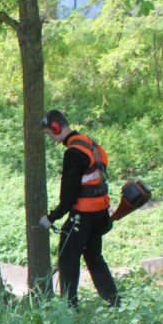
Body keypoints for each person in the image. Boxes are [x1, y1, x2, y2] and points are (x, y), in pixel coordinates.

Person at [40, 109, 120, 308]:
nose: (50, 139)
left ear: (57, 128)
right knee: (94, 256)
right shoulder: (89, 143)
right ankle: (114, 302)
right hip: (101, 211)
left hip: (84, 214)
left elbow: (69, 194)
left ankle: (69, 307)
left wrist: (52, 217)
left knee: (67, 258)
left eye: (50, 134)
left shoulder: (73, 153)